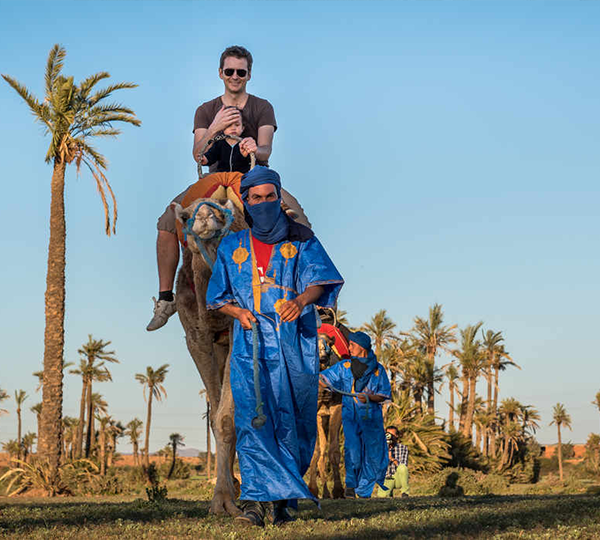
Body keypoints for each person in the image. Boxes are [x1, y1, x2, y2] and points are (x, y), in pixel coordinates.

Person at [206, 166, 344, 526]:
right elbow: (217, 296)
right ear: (247, 203)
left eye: (271, 197)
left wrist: (300, 301)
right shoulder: (232, 245)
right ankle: (254, 501)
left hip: (294, 340)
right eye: (257, 198)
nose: (264, 203)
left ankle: (284, 498)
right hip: (250, 345)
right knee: (253, 416)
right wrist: (237, 311)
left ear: (279, 198)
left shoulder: (302, 238)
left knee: (294, 418)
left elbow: (320, 280)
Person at [147, 45, 277, 331]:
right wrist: (216, 126)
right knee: (167, 222)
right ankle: (166, 298)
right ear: (220, 73)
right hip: (214, 179)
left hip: (252, 177)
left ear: (248, 75)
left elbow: (266, 148)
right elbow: (198, 154)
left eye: (240, 72)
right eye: (229, 71)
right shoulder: (206, 110)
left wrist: (257, 146)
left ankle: (312, 300)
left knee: (292, 216)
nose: (234, 76)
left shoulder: (261, 107)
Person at [320, 331, 391, 498]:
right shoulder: (344, 367)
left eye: (352, 345)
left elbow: (384, 394)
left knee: (371, 455)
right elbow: (325, 377)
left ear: (361, 348)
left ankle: (364, 491)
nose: (349, 348)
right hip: (351, 417)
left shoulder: (378, 370)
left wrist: (369, 398)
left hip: (371, 419)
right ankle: (350, 488)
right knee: (352, 452)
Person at [200, 107, 252, 173]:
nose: (233, 128)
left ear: (242, 128)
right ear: (222, 128)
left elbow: (251, 159)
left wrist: (245, 156)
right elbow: (211, 155)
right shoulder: (219, 143)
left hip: (241, 176)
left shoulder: (245, 143)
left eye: (237, 125)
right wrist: (205, 159)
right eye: (229, 125)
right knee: (208, 180)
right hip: (223, 177)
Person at [376, 426, 409, 498]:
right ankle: (389, 493)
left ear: (396, 436)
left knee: (402, 467)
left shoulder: (403, 448)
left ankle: (405, 492)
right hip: (387, 477)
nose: (390, 437)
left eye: (392, 435)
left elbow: (403, 466)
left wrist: (392, 458)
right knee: (382, 497)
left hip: (398, 478)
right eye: (388, 434)